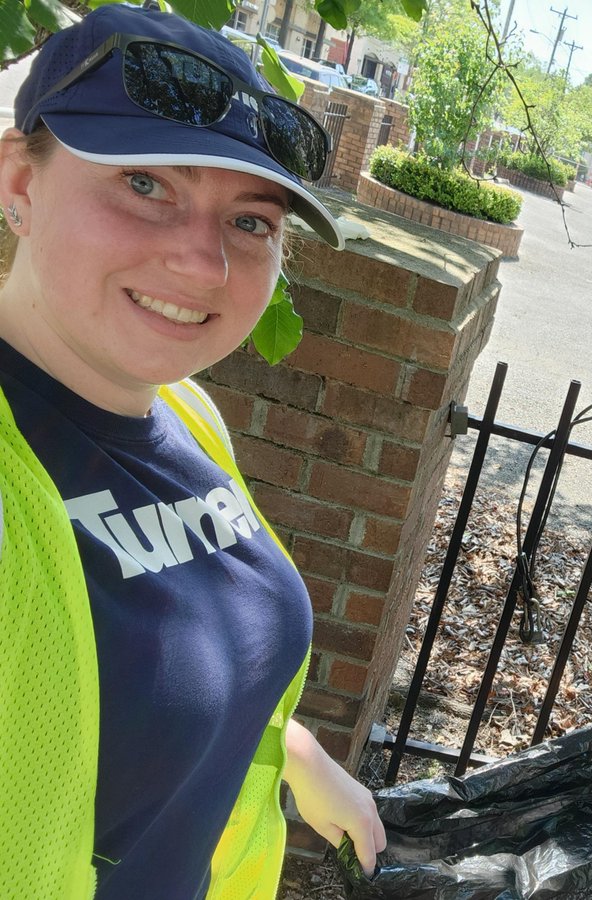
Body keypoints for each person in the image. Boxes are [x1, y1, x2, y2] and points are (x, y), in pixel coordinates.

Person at [0, 6, 386, 897]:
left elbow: (162, 678)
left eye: (252, 223)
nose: (206, 264)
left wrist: (292, 752)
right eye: (146, 186)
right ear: (19, 180)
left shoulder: (185, 412)